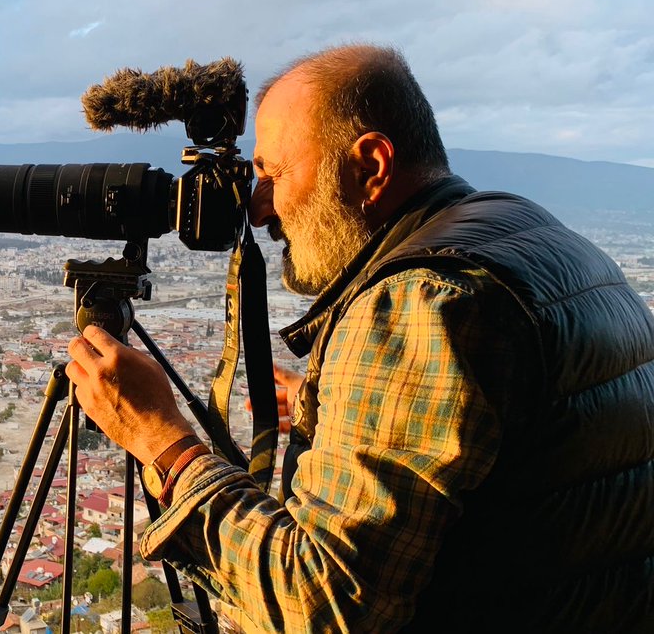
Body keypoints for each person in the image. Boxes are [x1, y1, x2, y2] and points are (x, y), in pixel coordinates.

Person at [66, 44, 654, 632]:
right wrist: (342, 404)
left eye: (272, 172)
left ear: (370, 166)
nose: (260, 206)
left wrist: (163, 443)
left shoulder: (423, 301)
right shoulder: (530, 236)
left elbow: (322, 605)